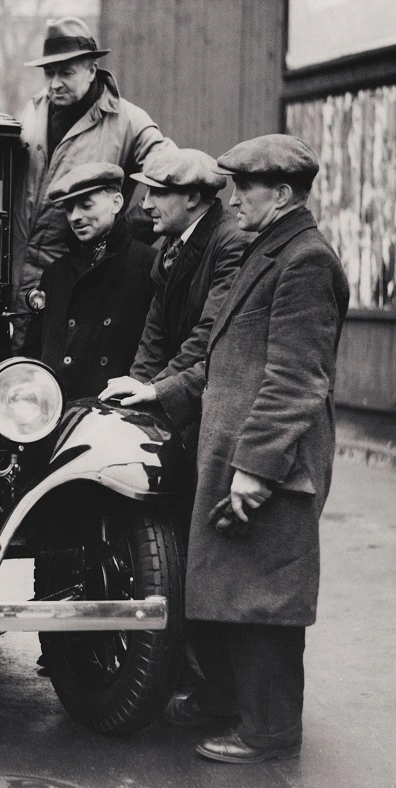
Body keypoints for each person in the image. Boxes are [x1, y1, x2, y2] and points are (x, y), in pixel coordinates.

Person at [139, 135, 347, 763]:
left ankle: (271, 732)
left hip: (273, 464)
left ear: (281, 193)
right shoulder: (270, 250)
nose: (231, 197)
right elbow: (218, 355)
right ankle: (229, 705)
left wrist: (255, 469)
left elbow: (296, 379)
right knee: (231, 589)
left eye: (243, 187)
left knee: (264, 602)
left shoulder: (306, 260)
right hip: (242, 457)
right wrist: (164, 393)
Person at [10, 16, 172, 350]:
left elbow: (171, 173)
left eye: (66, 72)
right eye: (49, 73)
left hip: (82, 279)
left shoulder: (128, 121)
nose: (54, 83)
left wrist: (125, 231)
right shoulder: (33, 111)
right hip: (15, 273)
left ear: (91, 69)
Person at [98, 148, 250, 454]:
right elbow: (155, 333)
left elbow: (209, 334)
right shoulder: (173, 241)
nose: (147, 204)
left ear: (192, 199)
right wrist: (134, 395)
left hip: (215, 410)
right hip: (185, 395)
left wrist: (154, 390)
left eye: (158, 192)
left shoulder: (231, 243)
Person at [21, 162, 155, 401]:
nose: (75, 217)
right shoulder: (55, 273)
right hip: (56, 410)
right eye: (68, 208)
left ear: (116, 203)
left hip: (115, 411)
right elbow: (33, 352)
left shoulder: (148, 265)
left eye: (85, 205)